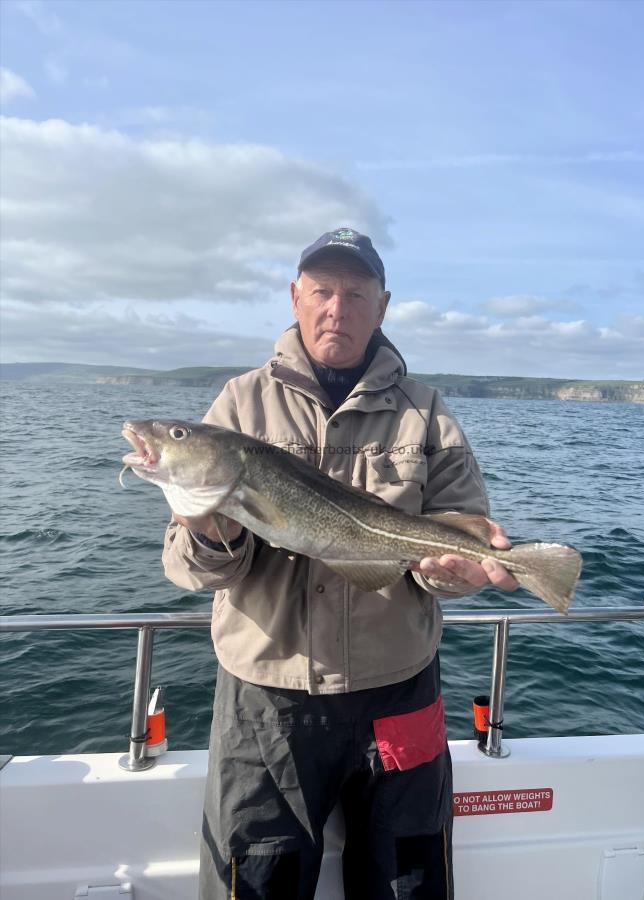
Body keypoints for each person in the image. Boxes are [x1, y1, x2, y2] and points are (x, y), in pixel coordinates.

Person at [163, 227, 517, 899]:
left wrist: (456, 571)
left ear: (382, 306)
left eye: (355, 294)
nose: (337, 309)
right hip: (266, 693)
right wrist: (206, 529)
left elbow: (456, 533)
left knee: (406, 879)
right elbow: (195, 570)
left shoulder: (426, 412)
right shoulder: (239, 405)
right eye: (322, 292)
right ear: (294, 299)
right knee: (256, 879)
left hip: (400, 686)